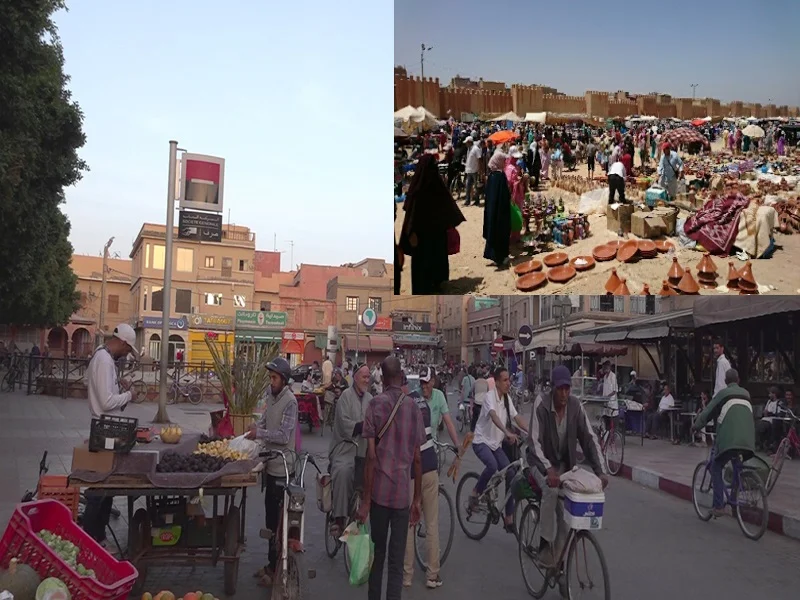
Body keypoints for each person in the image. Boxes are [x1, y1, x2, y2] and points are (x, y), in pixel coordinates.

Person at [527, 365, 607, 575]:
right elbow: (533, 442)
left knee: (569, 511)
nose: (564, 394)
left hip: (565, 466)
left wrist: (601, 471)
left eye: (567, 389)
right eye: (560, 389)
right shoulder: (541, 404)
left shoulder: (575, 406)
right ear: (553, 388)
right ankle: (545, 544)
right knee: (551, 491)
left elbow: (589, 439)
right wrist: (548, 470)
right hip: (539, 462)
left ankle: (559, 560)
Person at [358, 357, 425, 600]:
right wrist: (416, 500)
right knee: (396, 563)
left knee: (378, 556)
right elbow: (418, 458)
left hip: (379, 496)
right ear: (402, 376)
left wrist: (366, 501)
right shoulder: (414, 408)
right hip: (400, 499)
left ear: (383, 379)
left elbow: (371, 457)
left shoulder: (375, 405)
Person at [403, 366, 459, 589]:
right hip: (427, 461)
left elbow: (448, 422)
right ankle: (432, 575)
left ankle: (407, 576)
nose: (425, 386)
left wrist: (457, 445)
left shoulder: (406, 403)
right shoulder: (422, 404)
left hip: (413, 466)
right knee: (431, 522)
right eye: (422, 382)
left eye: (428, 382)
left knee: (409, 522)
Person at [81, 323, 137, 544]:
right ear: (122, 342)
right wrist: (129, 395)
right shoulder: (105, 361)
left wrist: (117, 385)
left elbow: (91, 383)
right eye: (127, 349)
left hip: (101, 425)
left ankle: (98, 536)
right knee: (101, 488)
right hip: (105, 428)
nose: (126, 354)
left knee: (106, 486)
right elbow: (105, 402)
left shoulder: (101, 356)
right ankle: (90, 537)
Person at [247, 357, 298, 587]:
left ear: (284, 380)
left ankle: (278, 571)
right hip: (270, 466)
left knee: (280, 523)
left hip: (283, 469)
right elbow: (267, 422)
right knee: (270, 521)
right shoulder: (271, 395)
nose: (271, 381)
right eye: (270, 377)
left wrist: (260, 434)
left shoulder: (290, 401)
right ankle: (271, 564)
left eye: (274, 378)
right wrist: (256, 430)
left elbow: (284, 436)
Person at [468, 367, 528, 534]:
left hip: (496, 444)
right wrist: (507, 432)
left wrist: (531, 432)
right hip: (481, 442)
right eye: (505, 380)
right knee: (493, 466)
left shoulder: (507, 399)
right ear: (497, 382)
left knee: (511, 473)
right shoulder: (489, 397)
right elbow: (494, 417)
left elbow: (517, 418)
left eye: (509, 380)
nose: (509, 383)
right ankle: (475, 492)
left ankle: (508, 517)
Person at [692, 369, 755, 518]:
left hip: (729, 440)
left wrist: (695, 426)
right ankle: (734, 500)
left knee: (716, 466)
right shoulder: (746, 394)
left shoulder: (723, 394)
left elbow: (707, 413)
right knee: (736, 464)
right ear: (738, 380)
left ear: (726, 382)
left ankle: (719, 506)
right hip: (749, 440)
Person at [399, 154, 466, 294]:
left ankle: (433, 284)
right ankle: (435, 284)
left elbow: (409, 210)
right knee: (431, 263)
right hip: (430, 235)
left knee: (426, 266)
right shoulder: (429, 186)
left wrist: (410, 232)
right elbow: (412, 211)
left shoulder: (421, 186)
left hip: (428, 235)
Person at [328, 364, 372, 536]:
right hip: (344, 449)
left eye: (369, 377)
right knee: (344, 471)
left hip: (364, 450)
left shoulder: (370, 398)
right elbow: (346, 425)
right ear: (355, 377)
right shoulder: (345, 397)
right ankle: (338, 518)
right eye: (364, 377)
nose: (367, 380)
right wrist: (365, 426)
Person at [483, 151, 512, 268]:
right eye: (503, 160)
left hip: (492, 210)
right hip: (501, 210)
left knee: (492, 229)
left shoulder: (491, 176)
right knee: (501, 232)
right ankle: (501, 257)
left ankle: (494, 255)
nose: (505, 162)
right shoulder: (500, 177)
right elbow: (504, 195)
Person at [463, 136, 482, 206]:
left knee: (476, 187)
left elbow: (480, 159)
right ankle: (467, 201)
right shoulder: (469, 149)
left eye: (466, 143)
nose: (466, 144)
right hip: (469, 171)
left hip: (475, 170)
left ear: (469, 142)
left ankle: (477, 200)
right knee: (468, 186)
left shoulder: (476, 149)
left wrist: (480, 171)